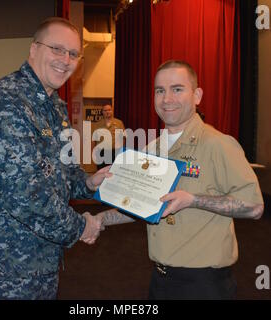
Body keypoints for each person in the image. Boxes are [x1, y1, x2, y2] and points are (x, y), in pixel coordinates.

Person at [0, 17, 109, 300]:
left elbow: (64, 173)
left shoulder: (55, 107)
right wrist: (80, 227)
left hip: (40, 262)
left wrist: (89, 182)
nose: (65, 60)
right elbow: (25, 194)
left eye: (73, 54)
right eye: (56, 49)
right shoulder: (6, 102)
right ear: (33, 50)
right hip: (2, 268)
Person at [97, 60, 264, 300]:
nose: (167, 99)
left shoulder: (218, 145)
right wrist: (98, 220)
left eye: (177, 89)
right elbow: (139, 205)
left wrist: (193, 200)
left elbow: (255, 207)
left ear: (197, 95)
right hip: (160, 280)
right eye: (159, 90)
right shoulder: (152, 150)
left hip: (204, 285)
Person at [93, 104, 126, 170]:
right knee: (102, 173)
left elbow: (123, 138)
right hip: (102, 153)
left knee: (115, 172)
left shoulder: (119, 123)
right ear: (102, 112)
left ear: (112, 111)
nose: (107, 112)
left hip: (115, 152)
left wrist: (121, 151)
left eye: (109, 110)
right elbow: (94, 141)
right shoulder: (97, 124)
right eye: (105, 110)